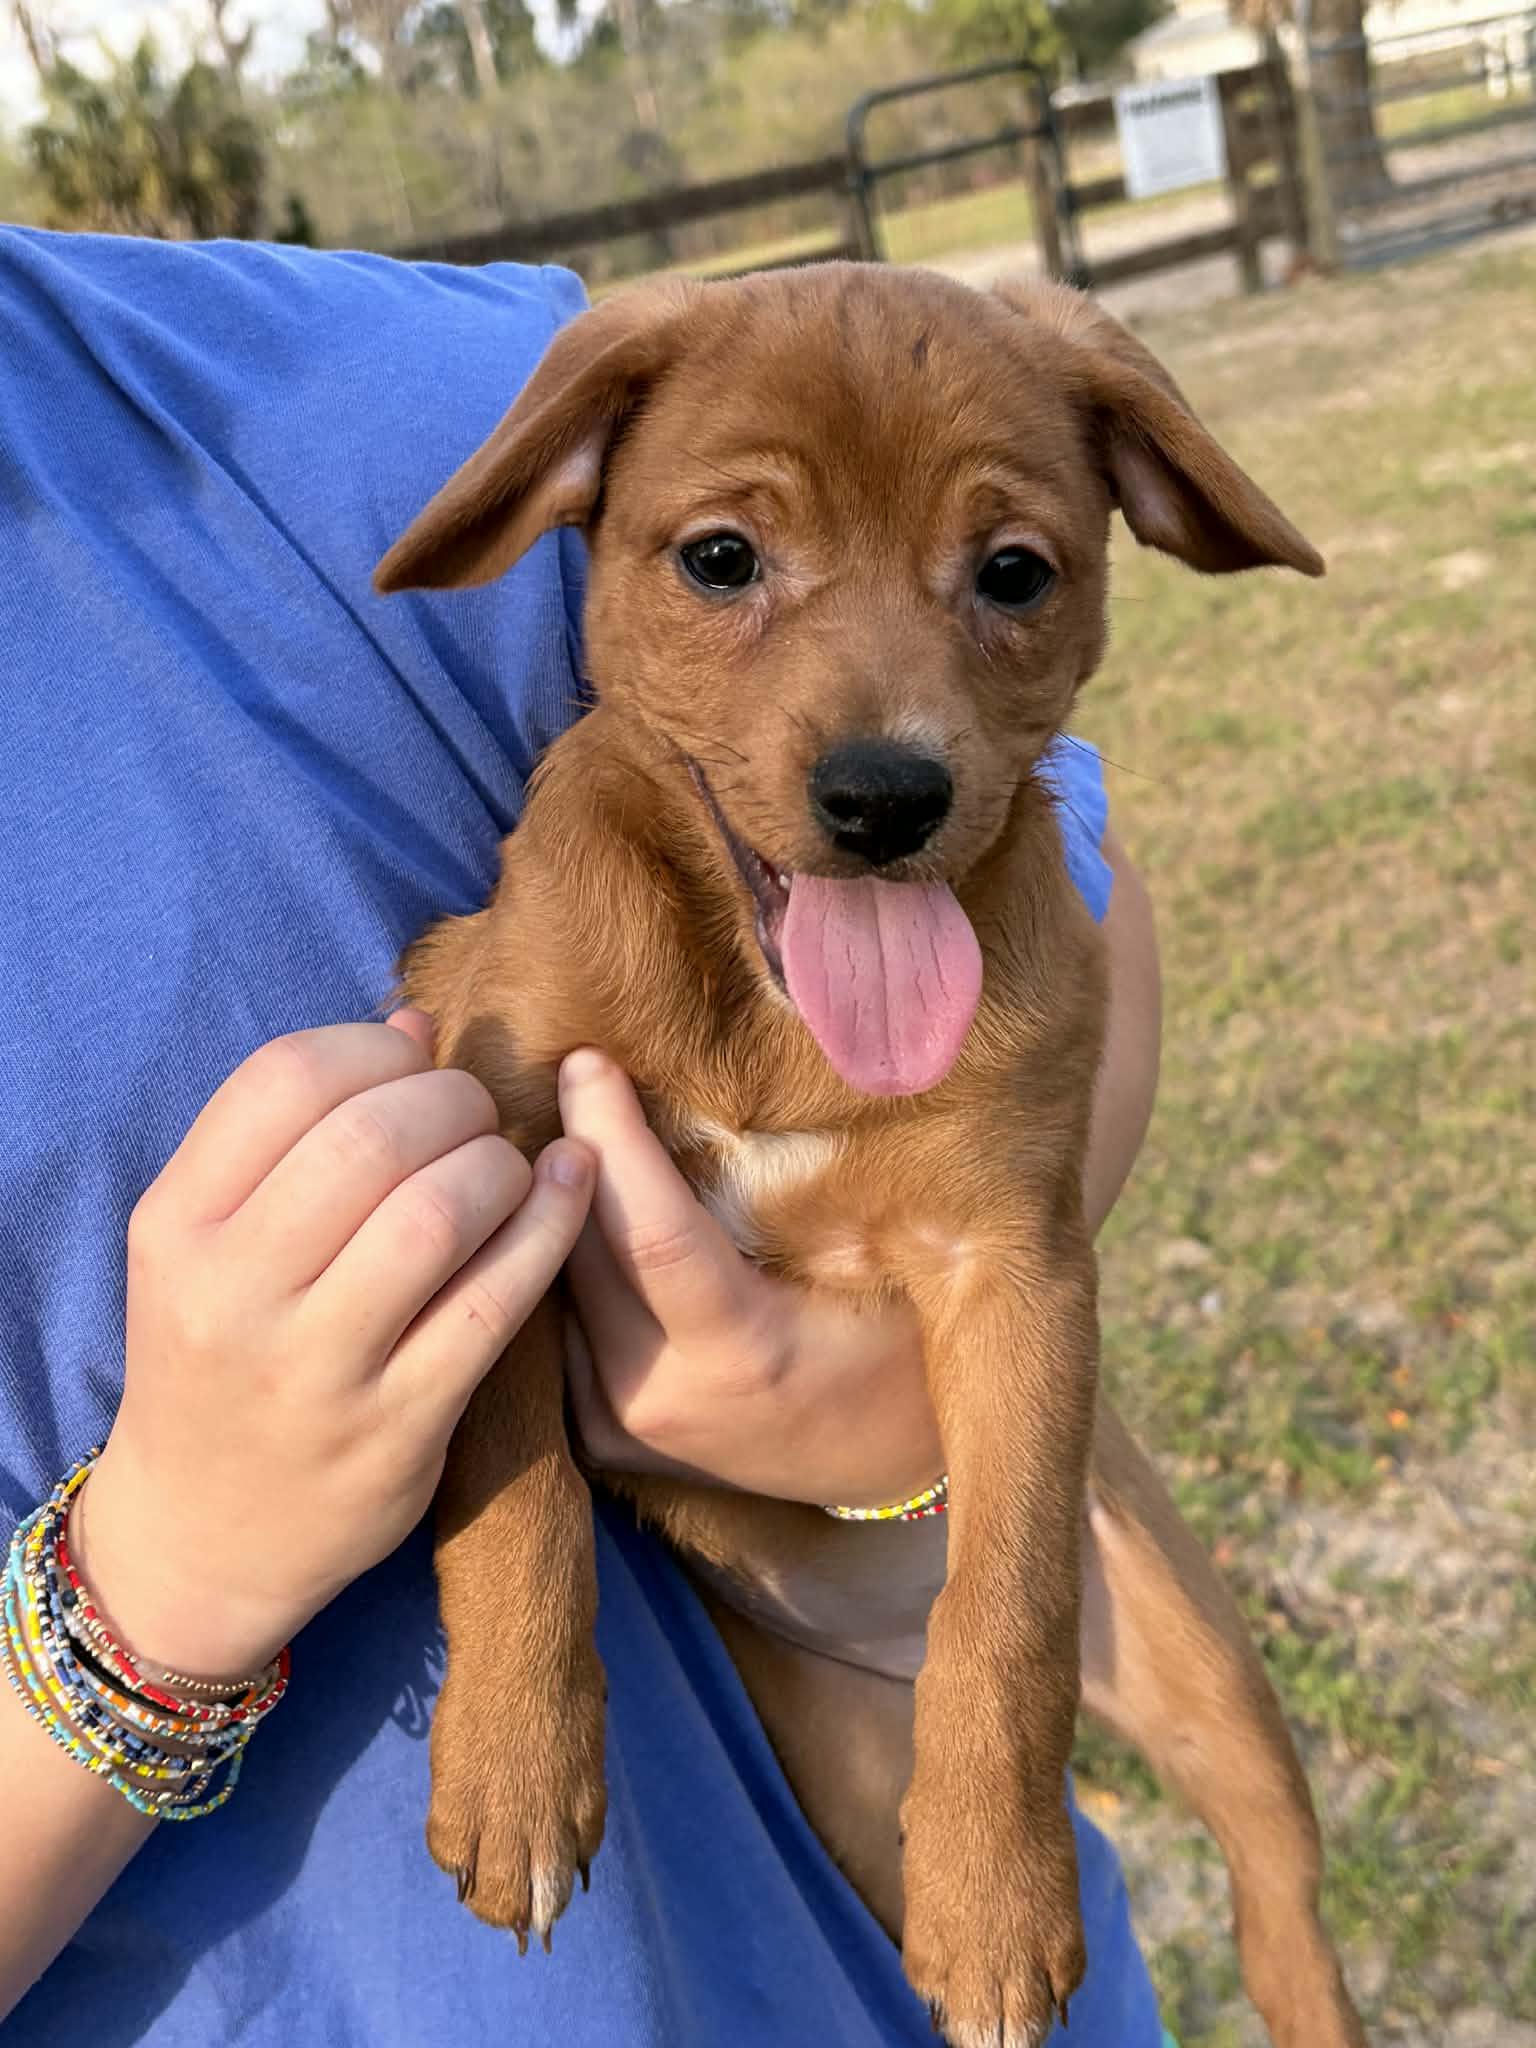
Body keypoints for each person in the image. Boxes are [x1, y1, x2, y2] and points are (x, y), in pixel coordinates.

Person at [0, 226, 1168, 2045]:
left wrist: (857, 1407)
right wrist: (154, 1588)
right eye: (729, 565)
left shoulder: (302, 376)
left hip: (845, 1921)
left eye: (1006, 578)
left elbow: (1079, 875)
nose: (892, 742)